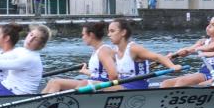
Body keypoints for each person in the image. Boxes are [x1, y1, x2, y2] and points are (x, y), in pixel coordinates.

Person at [47, 17, 178, 92]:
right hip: (122, 84)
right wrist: (87, 72)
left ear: (123, 33)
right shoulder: (115, 50)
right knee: (82, 84)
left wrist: (172, 66)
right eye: (108, 31)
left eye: (112, 31)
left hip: (136, 87)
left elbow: (157, 57)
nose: (108, 34)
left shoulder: (134, 48)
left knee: (84, 86)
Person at [41, 22, 119, 92]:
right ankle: (37, 104)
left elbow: (113, 75)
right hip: (94, 82)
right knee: (53, 82)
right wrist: (85, 71)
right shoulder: (97, 50)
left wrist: (109, 91)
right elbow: (100, 73)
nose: (82, 38)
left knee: (77, 83)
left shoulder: (104, 50)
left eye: (83, 35)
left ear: (91, 35)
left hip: (100, 86)